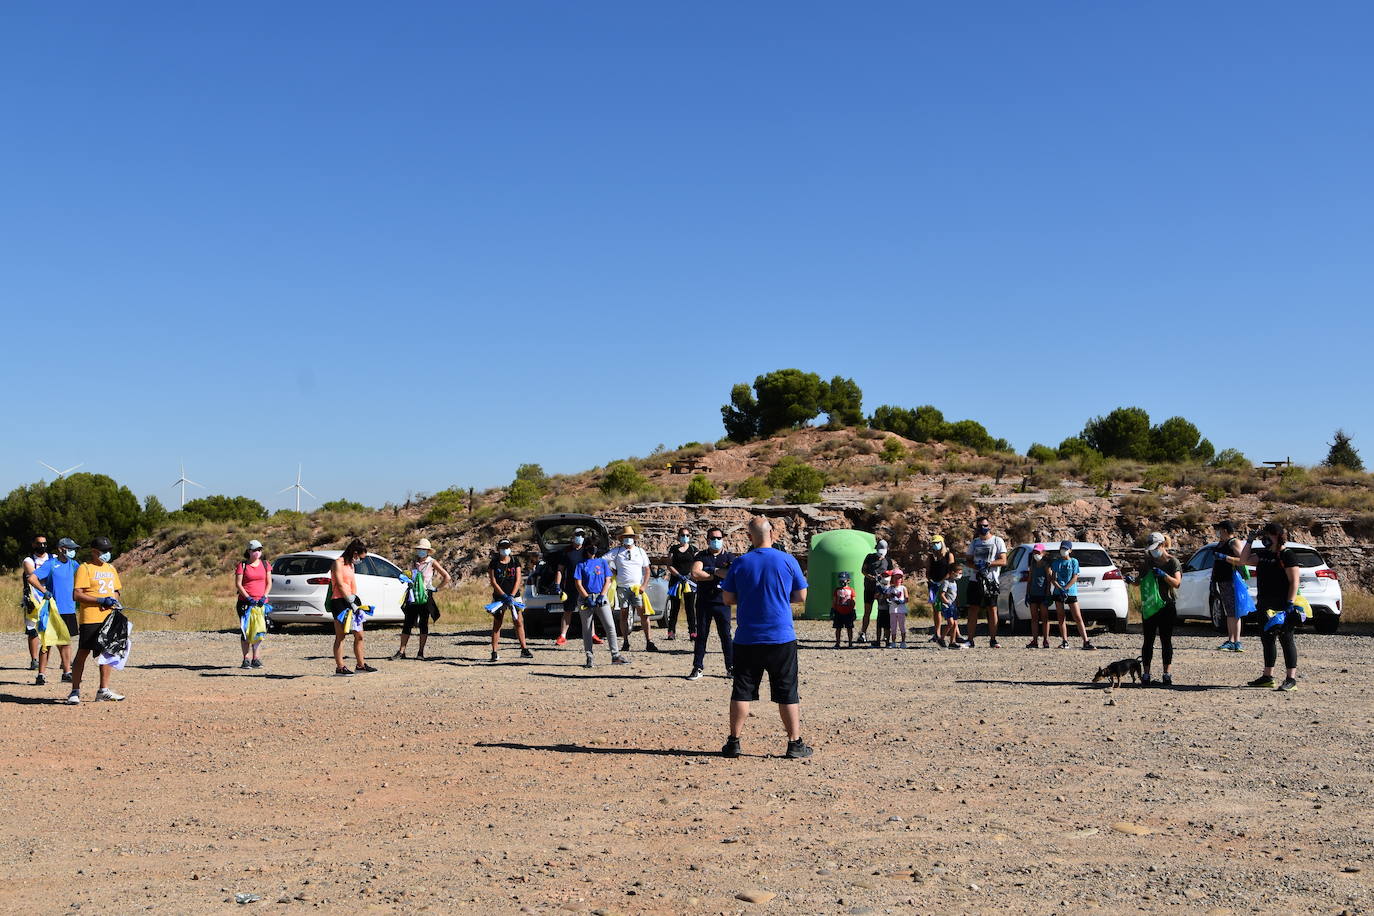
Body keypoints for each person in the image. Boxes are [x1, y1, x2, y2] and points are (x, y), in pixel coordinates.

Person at [720, 517, 811, 759]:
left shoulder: (740, 563)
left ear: (749, 537)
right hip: (781, 637)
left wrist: (750, 598)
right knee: (787, 691)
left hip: (747, 638)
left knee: (742, 690)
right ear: (773, 534)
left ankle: (734, 742)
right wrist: (779, 597)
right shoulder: (787, 560)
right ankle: (794, 743)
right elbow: (801, 596)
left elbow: (727, 599)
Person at [1241, 522, 1301, 692]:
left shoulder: (1287, 555)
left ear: (1277, 535)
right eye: (1263, 535)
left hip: (1282, 604)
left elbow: (1294, 581)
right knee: (1267, 639)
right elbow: (1243, 560)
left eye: (1268, 535)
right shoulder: (1264, 554)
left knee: (1286, 639)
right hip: (1264, 603)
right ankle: (1267, 676)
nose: (1265, 538)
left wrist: (1289, 604)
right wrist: (1250, 541)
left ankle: (1291, 679)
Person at [67, 536, 124, 703]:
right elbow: (77, 594)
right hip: (90, 617)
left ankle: (103, 690)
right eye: (103, 551)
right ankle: (75, 691)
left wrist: (113, 599)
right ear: (94, 551)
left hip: (109, 617)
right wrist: (100, 600)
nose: (107, 554)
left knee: (107, 653)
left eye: (108, 551)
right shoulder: (85, 568)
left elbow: (116, 589)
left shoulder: (111, 569)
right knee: (83, 652)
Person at [687, 526, 736, 680]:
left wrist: (711, 571)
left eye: (718, 538)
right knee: (701, 635)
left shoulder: (729, 558)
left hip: (723, 602)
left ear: (723, 539)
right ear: (707, 540)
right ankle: (697, 667)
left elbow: (731, 575)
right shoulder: (701, 555)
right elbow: (695, 573)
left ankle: (731, 667)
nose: (716, 541)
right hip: (704, 601)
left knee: (726, 636)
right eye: (713, 538)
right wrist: (718, 575)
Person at [32, 537, 80, 684]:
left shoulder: (74, 565)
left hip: (69, 609)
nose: (72, 552)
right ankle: (41, 674)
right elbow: (32, 578)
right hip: (53, 609)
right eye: (70, 549)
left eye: (74, 549)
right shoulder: (51, 564)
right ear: (61, 549)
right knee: (47, 642)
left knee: (66, 641)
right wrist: (43, 590)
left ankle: (67, 672)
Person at [394, 538, 451, 660]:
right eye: (419, 549)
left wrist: (436, 588)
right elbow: (409, 574)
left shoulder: (432, 562)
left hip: (425, 595)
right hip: (413, 595)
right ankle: (401, 651)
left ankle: (420, 652)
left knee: (423, 623)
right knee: (408, 622)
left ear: (428, 551)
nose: (421, 551)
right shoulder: (414, 562)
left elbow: (446, 576)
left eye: (423, 549)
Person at [572, 542, 625, 668]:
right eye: (591, 546)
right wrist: (586, 598)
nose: (593, 548)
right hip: (586, 598)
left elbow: (608, 580)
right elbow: (578, 583)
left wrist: (602, 595)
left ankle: (615, 655)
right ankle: (589, 657)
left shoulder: (602, 562)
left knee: (610, 626)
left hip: (601, 597)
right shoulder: (580, 565)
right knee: (587, 629)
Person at [1139, 533, 1182, 686]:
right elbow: (1141, 581)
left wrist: (1164, 575)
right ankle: (1146, 674)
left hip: (1167, 606)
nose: (1152, 551)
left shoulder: (1172, 562)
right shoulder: (1147, 562)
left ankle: (1166, 673)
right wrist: (1133, 581)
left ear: (1162, 545)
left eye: (1155, 548)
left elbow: (1177, 583)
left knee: (1166, 641)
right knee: (1148, 641)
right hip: (1150, 607)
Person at [329, 539, 376, 676]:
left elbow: (352, 583)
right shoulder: (338, 562)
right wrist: (348, 599)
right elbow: (339, 583)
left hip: (352, 600)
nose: (360, 560)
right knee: (341, 635)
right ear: (355, 553)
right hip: (339, 601)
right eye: (359, 557)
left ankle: (360, 665)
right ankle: (340, 667)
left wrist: (355, 600)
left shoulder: (351, 565)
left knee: (359, 634)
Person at [607, 525, 656, 652]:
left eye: (630, 537)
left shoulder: (640, 551)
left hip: (637, 587)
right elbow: (603, 560)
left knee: (643, 614)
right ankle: (625, 642)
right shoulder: (616, 552)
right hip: (622, 587)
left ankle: (649, 641)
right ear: (622, 538)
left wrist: (644, 585)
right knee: (623, 614)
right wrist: (613, 571)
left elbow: (647, 570)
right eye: (626, 537)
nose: (628, 539)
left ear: (634, 538)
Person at [487, 537, 533, 662]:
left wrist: (511, 596)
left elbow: (518, 579)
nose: (505, 550)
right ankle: (494, 651)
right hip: (499, 597)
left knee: (518, 621)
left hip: (514, 596)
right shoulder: (494, 562)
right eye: (503, 548)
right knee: (497, 623)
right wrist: (503, 595)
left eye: (507, 547)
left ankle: (524, 648)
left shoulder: (514, 561)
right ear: (498, 549)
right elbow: (493, 581)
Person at [554, 527, 601, 647]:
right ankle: (563, 636)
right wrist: (557, 585)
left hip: (585, 586)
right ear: (572, 537)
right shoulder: (566, 552)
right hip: (570, 585)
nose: (579, 537)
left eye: (581, 535)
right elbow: (560, 570)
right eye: (577, 534)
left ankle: (593, 634)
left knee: (589, 609)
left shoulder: (587, 550)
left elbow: (594, 564)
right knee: (568, 610)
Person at [964, 518, 1007, 648]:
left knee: (992, 609)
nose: (983, 528)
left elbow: (1003, 560)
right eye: (980, 526)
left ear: (990, 526)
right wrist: (976, 566)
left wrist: (989, 564)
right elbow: (968, 561)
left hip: (991, 580)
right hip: (975, 579)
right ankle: (970, 639)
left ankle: (993, 639)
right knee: (973, 609)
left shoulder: (997, 541)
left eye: (985, 525)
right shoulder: (975, 543)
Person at [1049, 540, 1095, 650]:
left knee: (1077, 617)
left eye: (1065, 549)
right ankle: (1065, 641)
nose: (1063, 551)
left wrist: (1066, 588)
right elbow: (1053, 578)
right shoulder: (1056, 563)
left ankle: (1085, 641)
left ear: (1070, 550)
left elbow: (1075, 577)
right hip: (1059, 592)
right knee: (1061, 617)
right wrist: (1060, 589)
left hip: (1071, 592)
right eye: (1062, 548)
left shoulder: (1074, 562)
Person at [233, 539, 272, 669]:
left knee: (259, 630)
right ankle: (246, 658)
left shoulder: (265, 564)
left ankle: (256, 658)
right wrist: (248, 597)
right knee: (246, 631)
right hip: (246, 603)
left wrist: (264, 596)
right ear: (249, 551)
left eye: (260, 550)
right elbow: (238, 583)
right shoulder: (243, 565)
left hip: (261, 604)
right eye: (256, 550)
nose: (258, 552)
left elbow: (269, 582)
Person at [1211, 520, 1247, 652]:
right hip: (1222, 580)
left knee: (1234, 611)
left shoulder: (1234, 542)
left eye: (1219, 529)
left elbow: (1242, 559)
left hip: (1231, 580)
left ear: (1225, 530)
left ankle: (1236, 641)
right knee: (1229, 611)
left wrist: (1225, 557)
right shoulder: (1221, 543)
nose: (1218, 532)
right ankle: (1231, 639)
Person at [857, 539, 896, 645]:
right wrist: (869, 576)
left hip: (883, 590)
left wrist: (885, 576)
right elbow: (863, 570)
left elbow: (891, 573)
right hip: (869, 588)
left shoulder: (888, 560)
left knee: (883, 612)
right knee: (867, 612)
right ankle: (863, 633)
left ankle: (884, 635)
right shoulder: (869, 557)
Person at [21, 535, 51, 670]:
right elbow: (34, 576)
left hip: (50, 598)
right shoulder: (28, 560)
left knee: (53, 629)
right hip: (34, 599)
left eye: (44, 543)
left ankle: (63, 661)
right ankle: (34, 659)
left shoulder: (53, 558)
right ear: (33, 545)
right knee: (32, 630)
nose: (42, 546)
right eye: (39, 543)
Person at [665, 527, 697, 641]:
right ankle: (671, 631)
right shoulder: (673, 549)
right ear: (678, 536)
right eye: (683, 535)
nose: (685, 537)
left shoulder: (693, 549)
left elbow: (697, 564)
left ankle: (693, 632)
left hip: (690, 582)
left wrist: (690, 575)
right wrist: (678, 575)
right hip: (676, 581)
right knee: (674, 607)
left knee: (690, 608)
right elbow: (669, 564)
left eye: (687, 535)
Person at [924, 534, 956, 643]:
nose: (935, 545)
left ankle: (954, 634)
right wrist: (931, 580)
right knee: (936, 609)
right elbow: (927, 571)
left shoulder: (949, 555)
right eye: (933, 543)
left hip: (945, 586)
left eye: (937, 543)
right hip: (933, 585)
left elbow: (951, 570)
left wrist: (943, 581)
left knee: (948, 607)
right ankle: (936, 634)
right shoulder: (931, 557)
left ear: (942, 543)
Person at [1024, 544, 1053, 649]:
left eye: (1038, 552)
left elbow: (1049, 581)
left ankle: (1046, 640)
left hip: (1043, 594)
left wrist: (1048, 594)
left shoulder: (1046, 565)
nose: (1036, 554)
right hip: (1033, 594)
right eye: (1035, 552)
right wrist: (1027, 594)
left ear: (1043, 553)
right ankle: (1035, 640)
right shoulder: (1033, 565)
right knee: (1034, 618)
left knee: (1045, 618)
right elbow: (1029, 580)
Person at [938, 563, 965, 648]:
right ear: (952, 572)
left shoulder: (954, 583)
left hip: (953, 606)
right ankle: (941, 639)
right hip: (947, 606)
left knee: (955, 624)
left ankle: (952, 642)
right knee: (951, 623)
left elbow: (954, 595)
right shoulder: (946, 582)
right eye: (958, 573)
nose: (960, 575)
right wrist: (947, 603)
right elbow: (941, 594)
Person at [831, 570, 856, 648]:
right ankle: (837, 643)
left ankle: (850, 643)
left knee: (849, 628)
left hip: (848, 612)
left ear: (848, 580)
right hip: (838, 612)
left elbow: (853, 601)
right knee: (838, 628)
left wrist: (854, 610)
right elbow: (834, 600)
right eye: (840, 580)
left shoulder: (851, 590)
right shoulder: (837, 590)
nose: (841, 581)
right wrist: (833, 609)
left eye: (843, 580)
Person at [887, 570, 910, 648]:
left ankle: (903, 642)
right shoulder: (890, 588)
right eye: (896, 578)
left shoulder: (903, 588)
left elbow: (907, 598)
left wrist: (901, 601)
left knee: (902, 626)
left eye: (899, 578)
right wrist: (891, 595)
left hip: (901, 610)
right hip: (893, 610)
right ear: (892, 579)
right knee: (893, 627)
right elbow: (886, 596)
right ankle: (893, 642)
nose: (897, 580)